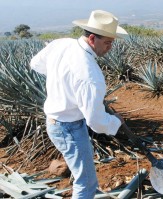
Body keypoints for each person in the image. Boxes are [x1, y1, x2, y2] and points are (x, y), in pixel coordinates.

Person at [30, 10, 126, 199]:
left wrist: (62, 81)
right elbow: (96, 121)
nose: (110, 48)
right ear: (92, 38)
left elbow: (36, 64)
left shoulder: (61, 44)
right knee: (87, 183)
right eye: (107, 43)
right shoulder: (90, 74)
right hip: (68, 128)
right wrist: (115, 122)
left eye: (112, 42)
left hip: (59, 123)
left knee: (84, 174)